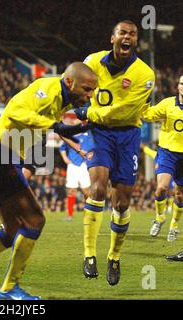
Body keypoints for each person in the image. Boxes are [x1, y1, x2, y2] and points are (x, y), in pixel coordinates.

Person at [0, 62, 98, 300]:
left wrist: (68, 129)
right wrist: (54, 125)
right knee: (34, 221)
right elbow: (15, 112)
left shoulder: (61, 99)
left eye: (92, 91)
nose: (89, 95)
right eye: (86, 89)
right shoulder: (48, 90)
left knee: (12, 229)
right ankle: (9, 288)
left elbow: (46, 126)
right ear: (68, 82)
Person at [74, 20, 155, 285]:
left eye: (132, 33)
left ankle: (114, 256)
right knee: (97, 188)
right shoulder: (93, 61)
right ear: (113, 38)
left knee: (121, 203)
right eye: (123, 32)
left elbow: (123, 111)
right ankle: (88, 254)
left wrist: (86, 112)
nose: (127, 37)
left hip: (127, 135)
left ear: (136, 40)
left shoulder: (145, 75)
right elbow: (76, 85)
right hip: (98, 132)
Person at [141, 75, 183, 249]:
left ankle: (174, 224)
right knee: (161, 188)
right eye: (181, 83)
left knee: (180, 195)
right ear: (178, 86)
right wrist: (144, 100)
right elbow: (148, 115)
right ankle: (159, 217)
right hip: (167, 152)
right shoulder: (167, 104)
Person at [60, 116, 94, 221]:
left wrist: (92, 154)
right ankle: (70, 215)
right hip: (72, 165)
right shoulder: (70, 135)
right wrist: (65, 158)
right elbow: (62, 148)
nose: (76, 121)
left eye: (78, 120)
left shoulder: (88, 134)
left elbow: (94, 147)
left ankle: (90, 214)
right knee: (71, 190)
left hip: (84, 165)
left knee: (86, 191)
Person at [141, 143, 176, 240]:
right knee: (161, 189)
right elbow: (147, 150)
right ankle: (161, 216)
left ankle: (174, 226)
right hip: (166, 175)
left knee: (177, 194)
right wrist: (142, 144)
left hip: (174, 176)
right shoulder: (159, 154)